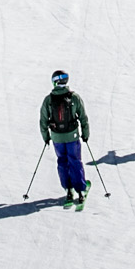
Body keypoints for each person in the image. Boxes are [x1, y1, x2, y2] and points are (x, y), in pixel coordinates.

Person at [39, 69, 90, 203]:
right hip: (72, 136)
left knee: (62, 161)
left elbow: (43, 120)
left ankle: (68, 189)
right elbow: (83, 117)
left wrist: (46, 137)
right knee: (75, 161)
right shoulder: (74, 97)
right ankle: (80, 190)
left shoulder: (48, 100)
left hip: (57, 137)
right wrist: (85, 134)